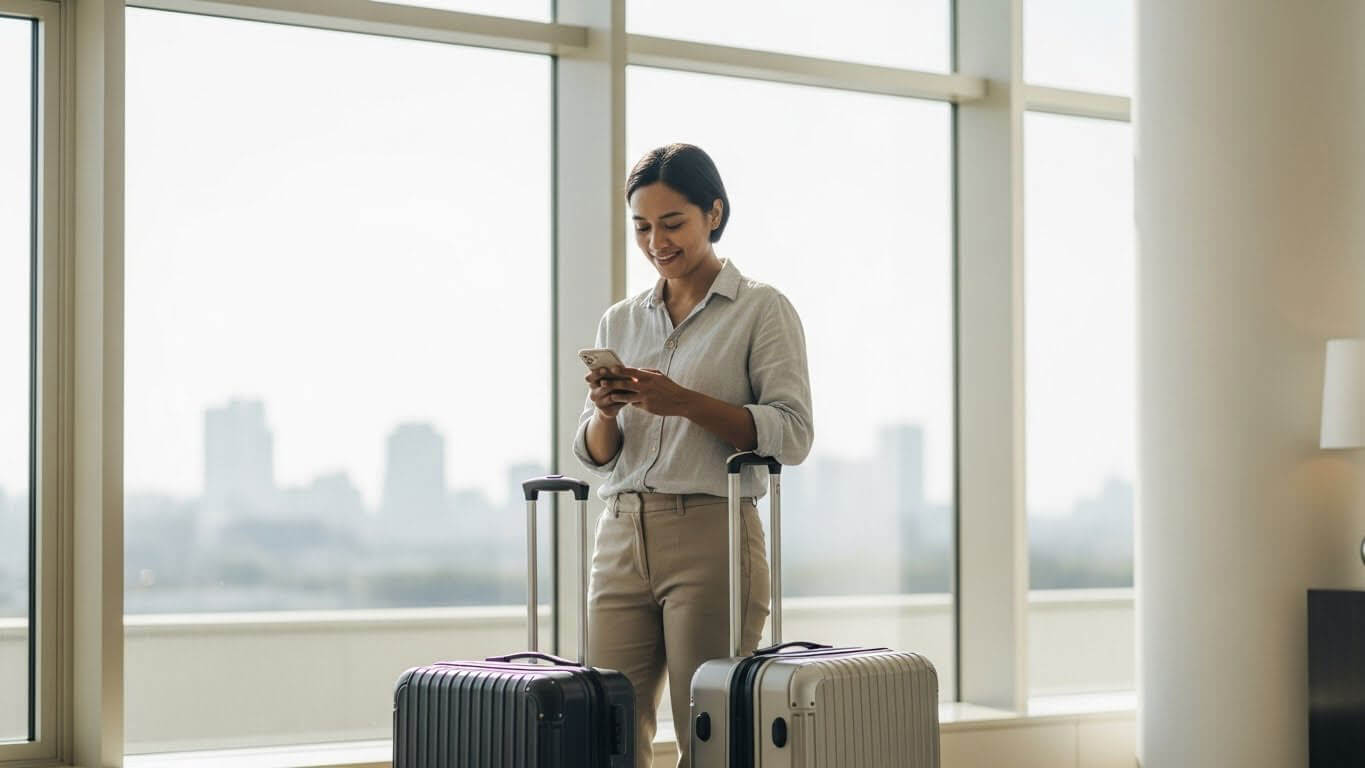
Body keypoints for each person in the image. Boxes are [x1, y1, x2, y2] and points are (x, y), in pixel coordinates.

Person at [573, 143, 814, 768]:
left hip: (711, 533)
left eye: (672, 223)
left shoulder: (762, 309)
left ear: (714, 212)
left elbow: (792, 434)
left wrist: (682, 402)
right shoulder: (620, 320)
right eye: (642, 227)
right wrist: (605, 411)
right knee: (605, 731)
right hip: (620, 534)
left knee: (709, 736)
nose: (656, 242)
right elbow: (597, 456)